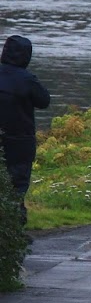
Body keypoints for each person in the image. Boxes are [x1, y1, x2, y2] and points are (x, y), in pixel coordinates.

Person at [0, 36, 50, 221]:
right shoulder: (27, 80)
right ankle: (14, 227)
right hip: (20, 141)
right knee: (18, 183)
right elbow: (44, 101)